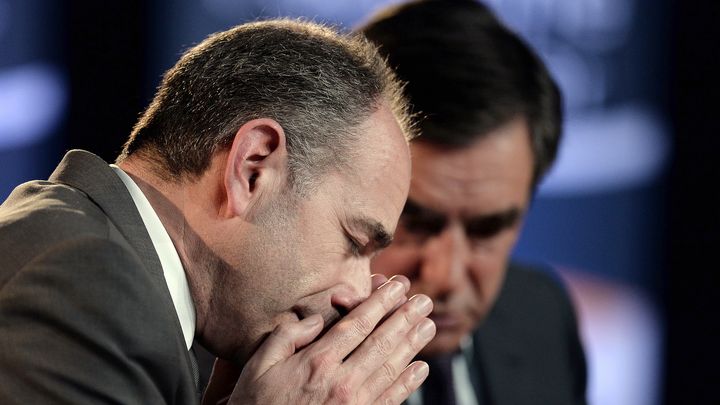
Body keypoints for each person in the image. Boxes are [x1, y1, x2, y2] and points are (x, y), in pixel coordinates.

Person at [0, 20, 437, 404]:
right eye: (355, 242)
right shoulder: (86, 284)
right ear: (252, 169)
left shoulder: (93, 255)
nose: (358, 294)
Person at [357, 1, 587, 404]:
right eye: (412, 223)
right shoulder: (231, 364)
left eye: (487, 229)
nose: (446, 276)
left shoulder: (542, 318)